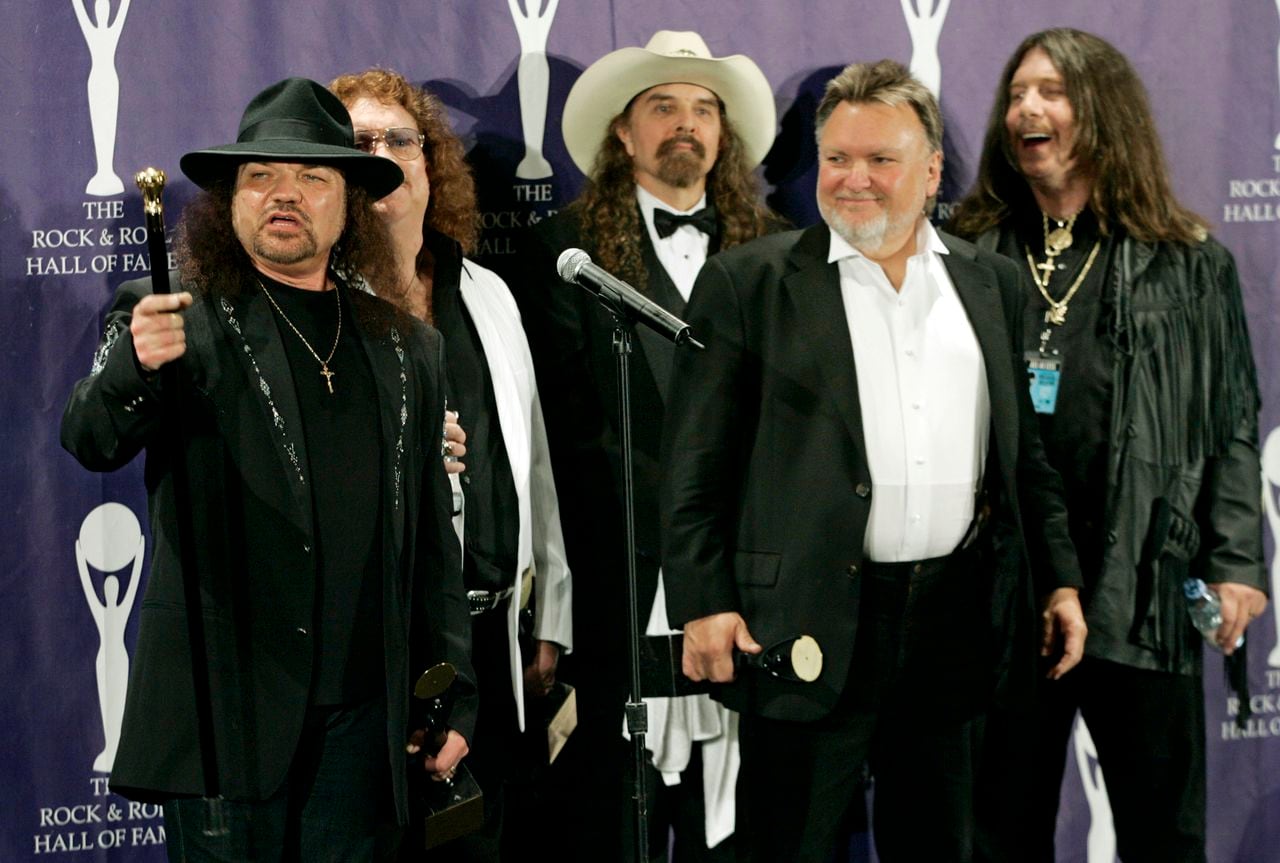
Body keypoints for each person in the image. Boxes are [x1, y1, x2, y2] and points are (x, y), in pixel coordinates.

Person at [660, 59, 1086, 863]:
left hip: (954, 626)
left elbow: (1026, 458)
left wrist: (1058, 576)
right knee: (787, 844)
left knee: (942, 844)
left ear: (930, 173)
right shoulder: (747, 284)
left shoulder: (991, 284)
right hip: (805, 624)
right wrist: (702, 600)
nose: (854, 179)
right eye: (836, 158)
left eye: (880, 160)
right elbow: (694, 467)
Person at [60, 77, 476, 861]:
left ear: (349, 201)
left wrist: (454, 695)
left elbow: (431, 547)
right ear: (231, 201)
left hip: (364, 735)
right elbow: (89, 438)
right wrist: (134, 370)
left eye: (312, 177)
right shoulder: (174, 316)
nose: (284, 195)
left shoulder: (408, 347)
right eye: (261, 177)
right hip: (227, 723)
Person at [949, 28, 1269, 863]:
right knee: (998, 829)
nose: (1028, 107)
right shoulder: (973, 253)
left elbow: (1233, 418)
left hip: (1143, 584)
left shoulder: (1188, 263)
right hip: (1011, 596)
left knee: (1163, 831)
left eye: (1052, 91)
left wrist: (1236, 560)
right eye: (1018, 93)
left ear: (1104, 113)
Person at [517, 29, 780, 862]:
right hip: (615, 591)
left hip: (749, 581)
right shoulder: (562, 255)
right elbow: (558, 433)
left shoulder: (777, 254)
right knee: (612, 816)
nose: (686, 124)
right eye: (662, 106)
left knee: (735, 819)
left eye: (704, 109)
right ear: (623, 133)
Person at [329, 67, 573, 862]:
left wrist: (551, 619)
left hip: (494, 641)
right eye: (358, 143)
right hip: (378, 654)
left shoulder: (489, 293)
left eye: (402, 140)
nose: (383, 156)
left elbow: (532, 463)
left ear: (432, 164)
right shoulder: (315, 306)